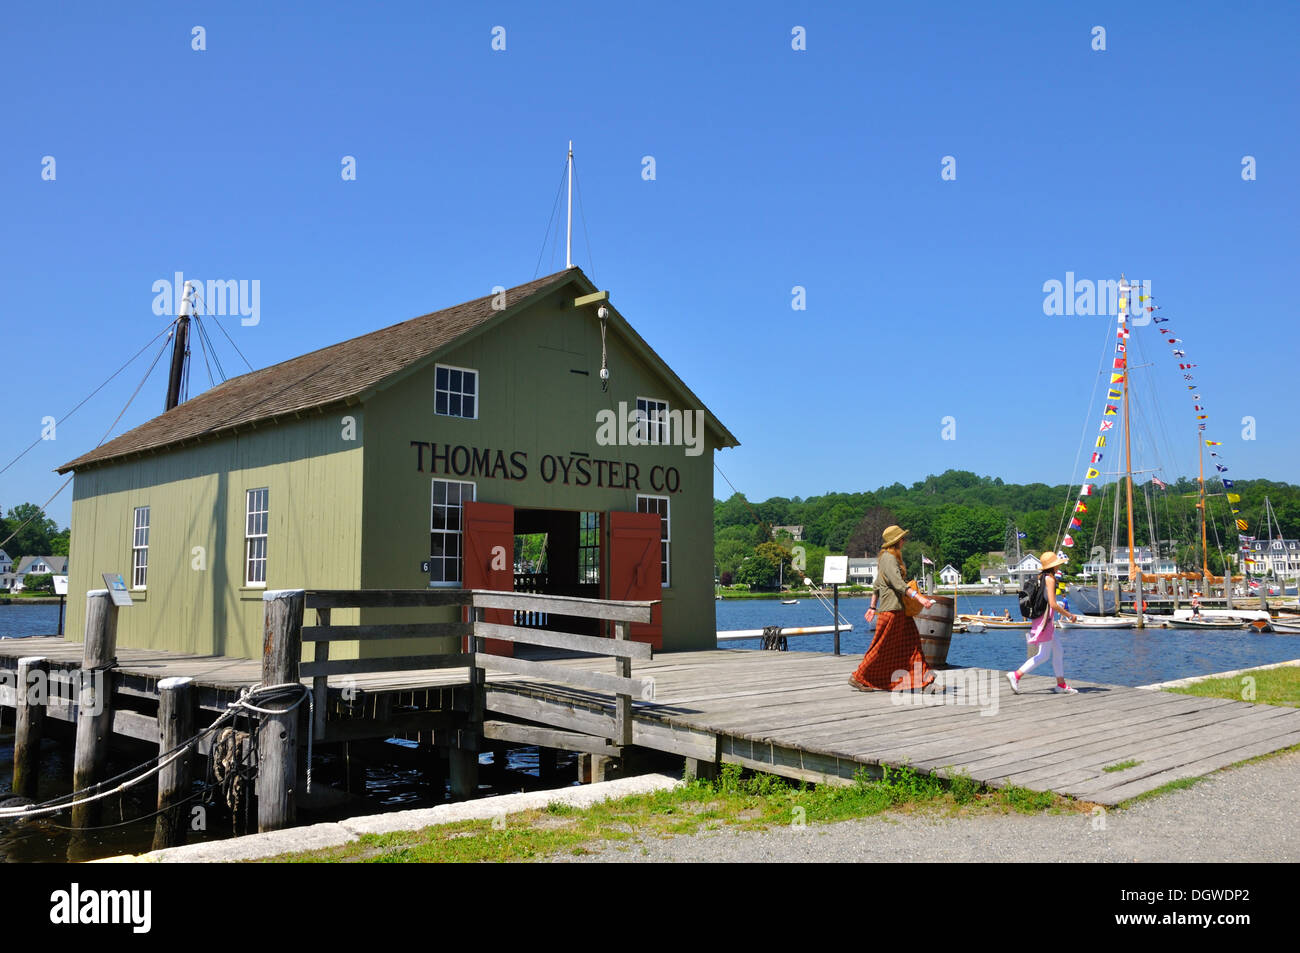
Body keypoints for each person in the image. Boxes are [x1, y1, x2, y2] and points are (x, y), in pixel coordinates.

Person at [850, 525, 936, 692]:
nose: (904, 541)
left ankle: (924, 680)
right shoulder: (889, 558)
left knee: (912, 645)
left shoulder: (886, 558)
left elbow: (876, 585)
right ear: (896, 542)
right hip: (892, 612)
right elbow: (898, 584)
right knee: (880, 648)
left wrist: (872, 606)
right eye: (902, 538)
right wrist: (919, 598)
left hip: (899, 611)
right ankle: (858, 677)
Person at [1006, 552, 1079, 695]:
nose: (1059, 565)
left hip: (1043, 620)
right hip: (1045, 621)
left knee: (1058, 650)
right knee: (1044, 655)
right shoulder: (1050, 579)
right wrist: (1069, 615)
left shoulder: (1041, 577)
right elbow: (1052, 604)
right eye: (1058, 563)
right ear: (1054, 566)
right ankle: (1016, 675)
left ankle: (1061, 684)